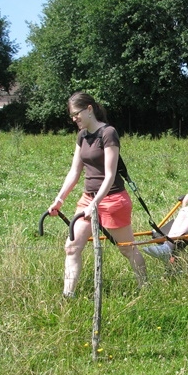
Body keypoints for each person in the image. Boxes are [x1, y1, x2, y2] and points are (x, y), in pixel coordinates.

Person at [47, 91, 147, 296]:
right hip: (87, 199)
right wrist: (60, 199)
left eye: (76, 114)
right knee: (72, 247)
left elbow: (110, 175)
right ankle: (68, 295)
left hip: (113, 199)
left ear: (89, 109)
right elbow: (75, 171)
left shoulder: (108, 133)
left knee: (127, 249)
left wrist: (96, 203)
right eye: (72, 116)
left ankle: (144, 286)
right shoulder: (82, 136)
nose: (74, 119)